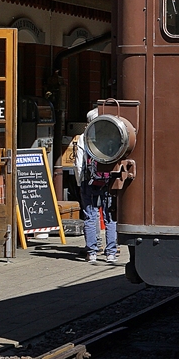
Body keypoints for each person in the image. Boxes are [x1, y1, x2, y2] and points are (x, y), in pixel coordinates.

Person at [76, 109, 118, 263]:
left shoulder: (84, 137)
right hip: (108, 181)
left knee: (90, 216)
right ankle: (111, 253)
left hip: (90, 181)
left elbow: (79, 163)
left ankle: (92, 252)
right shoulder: (113, 135)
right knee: (110, 217)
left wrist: (79, 181)